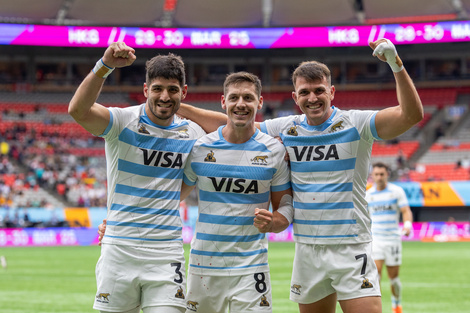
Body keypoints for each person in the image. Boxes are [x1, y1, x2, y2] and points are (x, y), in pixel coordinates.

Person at [176, 38, 423, 313]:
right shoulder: (287, 128)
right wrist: (179, 106)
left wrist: (396, 64)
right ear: (295, 97)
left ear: (332, 92)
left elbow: (410, 115)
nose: (313, 98)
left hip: (351, 246)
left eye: (319, 91)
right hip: (307, 248)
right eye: (305, 92)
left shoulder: (357, 123)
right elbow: (236, 123)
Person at [69, 42, 206, 313]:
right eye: (157, 89)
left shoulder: (194, 135)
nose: (164, 96)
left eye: (173, 90)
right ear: (146, 90)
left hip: (166, 252)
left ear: (184, 92)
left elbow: (185, 184)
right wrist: (104, 66)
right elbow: (78, 111)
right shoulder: (122, 122)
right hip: (119, 250)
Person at [180, 72, 293, 313]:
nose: (241, 104)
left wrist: (274, 222)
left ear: (259, 102)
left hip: (252, 267)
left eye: (248, 98)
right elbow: (172, 195)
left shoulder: (274, 151)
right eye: (234, 97)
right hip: (204, 265)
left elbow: (286, 205)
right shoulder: (200, 148)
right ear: (224, 102)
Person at [366, 162, 413, 313]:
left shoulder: (396, 191)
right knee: (376, 274)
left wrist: (407, 225)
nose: (379, 177)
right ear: (372, 176)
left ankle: (396, 305)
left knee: (393, 278)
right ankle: (376, 308)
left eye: (382, 174)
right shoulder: (368, 195)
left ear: (387, 175)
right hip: (376, 240)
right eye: (376, 174)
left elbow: (405, 210)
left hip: (393, 239)